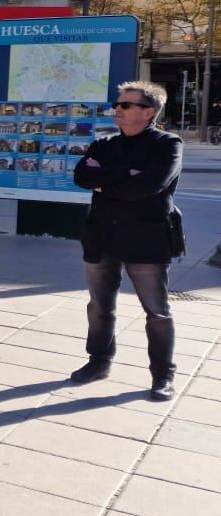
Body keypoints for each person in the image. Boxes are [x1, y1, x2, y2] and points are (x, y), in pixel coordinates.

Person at [70, 80, 184, 401]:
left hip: (146, 238)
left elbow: (149, 186)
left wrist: (105, 181)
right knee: (99, 306)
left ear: (148, 112)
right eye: (117, 104)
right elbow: (82, 177)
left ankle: (163, 376)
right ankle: (98, 362)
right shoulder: (104, 145)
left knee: (156, 311)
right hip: (102, 235)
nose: (116, 110)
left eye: (125, 105)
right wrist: (126, 174)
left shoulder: (168, 144)